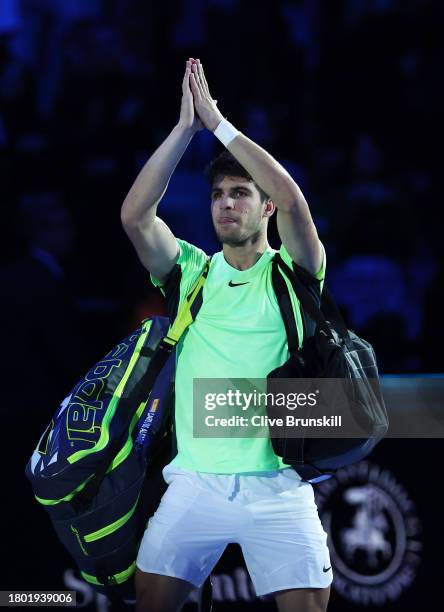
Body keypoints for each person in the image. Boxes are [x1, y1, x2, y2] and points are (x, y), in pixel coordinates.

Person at [121, 58, 332, 612]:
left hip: (279, 486)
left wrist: (217, 122)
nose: (226, 204)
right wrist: (184, 129)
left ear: (264, 207)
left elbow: (294, 200)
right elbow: (136, 217)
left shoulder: (294, 272)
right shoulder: (192, 273)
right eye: (218, 195)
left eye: (240, 193)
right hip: (196, 484)